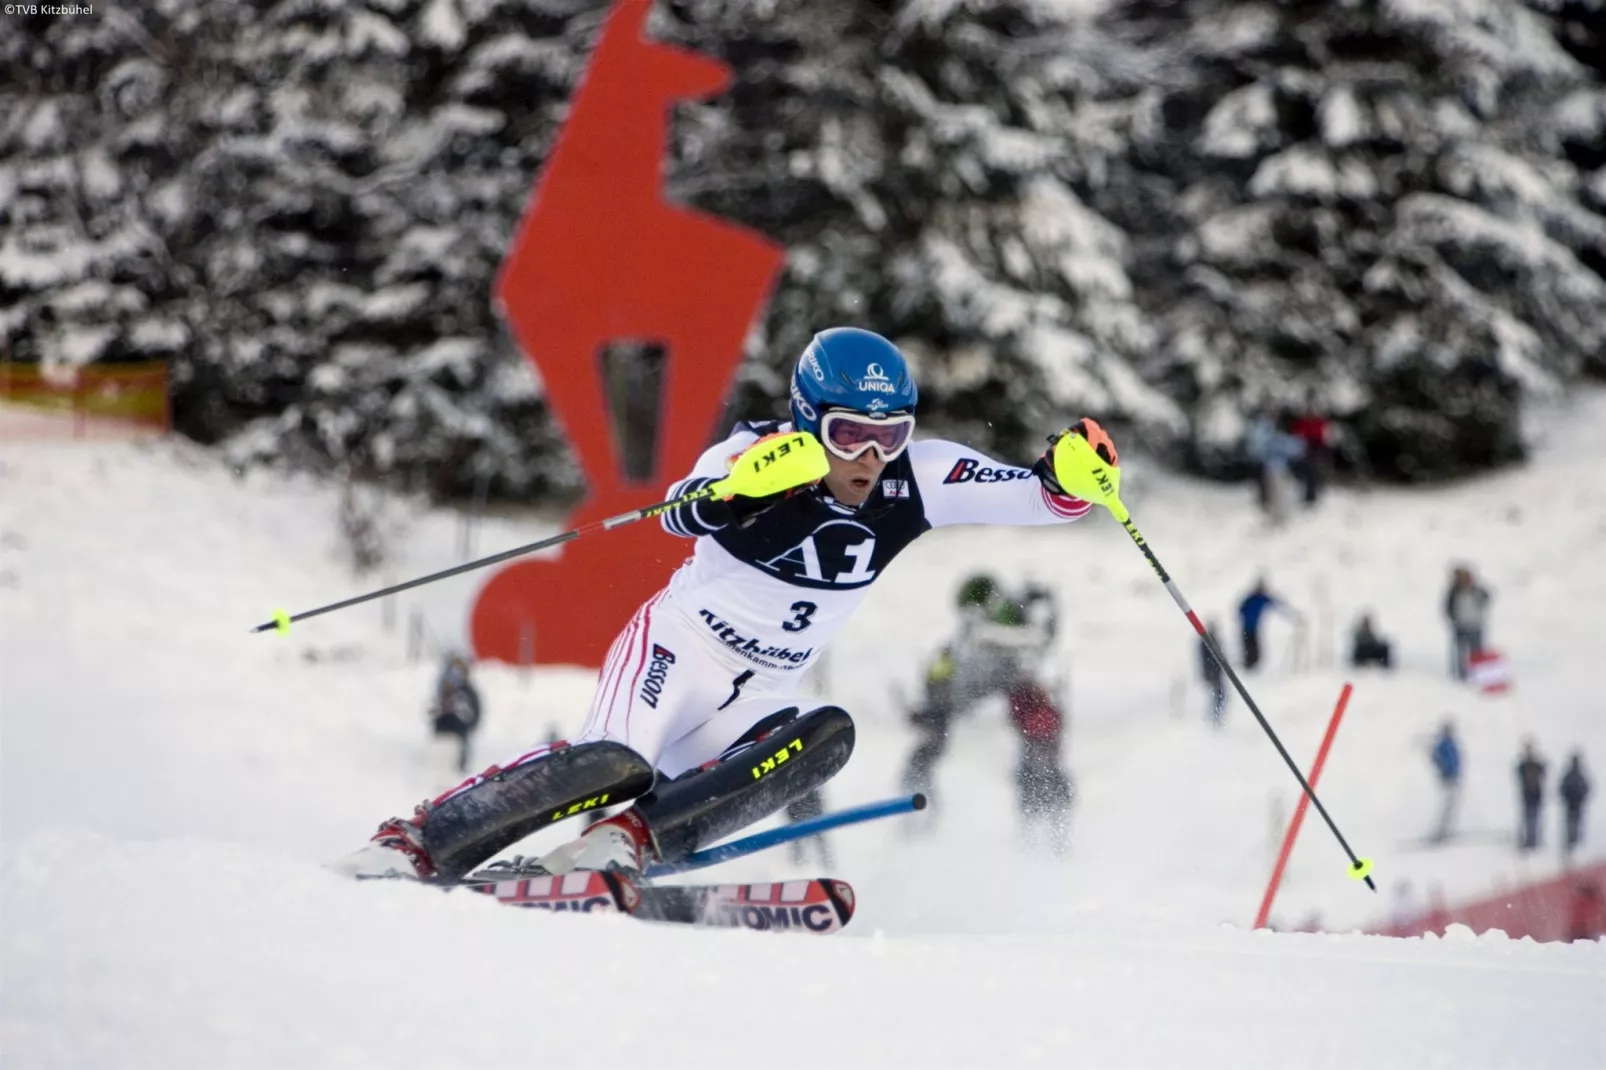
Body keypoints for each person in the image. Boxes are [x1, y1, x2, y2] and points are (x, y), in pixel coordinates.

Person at [345, 327, 1111, 884]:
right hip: (678, 653)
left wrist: (1072, 476)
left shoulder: (923, 475)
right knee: (610, 764)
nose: (870, 457)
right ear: (809, 417)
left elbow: (1042, 499)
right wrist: (740, 491)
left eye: (890, 434)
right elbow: (681, 511)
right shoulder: (759, 453)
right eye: (848, 434)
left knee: (825, 738)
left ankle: (622, 845)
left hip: (762, 692)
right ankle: (418, 839)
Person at [1007, 680, 1072, 852]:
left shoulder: (1043, 714)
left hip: (1042, 764)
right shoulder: (1044, 714)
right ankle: (1035, 844)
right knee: (1040, 809)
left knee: (1050, 810)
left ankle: (1052, 844)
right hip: (1039, 763)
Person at [429, 653, 483, 773]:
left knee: (457, 754)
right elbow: (433, 709)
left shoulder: (466, 691)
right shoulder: (443, 691)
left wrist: (470, 724)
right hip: (445, 730)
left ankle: (460, 768)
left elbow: (474, 710)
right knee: (444, 757)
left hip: (459, 729)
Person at [1444, 566, 1491, 681]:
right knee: (1461, 652)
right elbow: (1448, 608)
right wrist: (1454, 621)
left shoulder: (1476, 590)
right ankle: (1462, 675)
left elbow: (1487, 597)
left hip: (1476, 625)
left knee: (1477, 651)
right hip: (1461, 626)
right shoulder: (1454, 592)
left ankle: (1478, 673)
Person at [1237, 579, 1294, 672]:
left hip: (1253, 627)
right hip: (1247, 627)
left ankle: (1253, 666)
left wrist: (1290, 613)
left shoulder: (1261, 598)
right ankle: (1248, 666)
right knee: (1248, 646)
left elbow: (1275, 603)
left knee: (1254, 647)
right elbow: (1240, 608)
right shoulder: (1252, 598)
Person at [1429, 721, 1461, 844]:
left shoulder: (1452, 743)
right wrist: (1443, 769)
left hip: (1454, 777)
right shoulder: (1443, 744)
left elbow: (1456, 760)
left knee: (1451, 805)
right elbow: (1435, 758)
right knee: (1446, 804)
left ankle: (1446, 829)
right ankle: (1440, 831)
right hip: (1447, 777)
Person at [1516, 739, 1547, 852]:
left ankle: (1533, 841)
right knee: (1528, 819)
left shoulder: (1535, 765)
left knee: (1533, 820)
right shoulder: (1524, 765)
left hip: (1534, 796)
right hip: (1528, 796)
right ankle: (1529, 841)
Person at [1559, 751, 1591, 859]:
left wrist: (1581, 798)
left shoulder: (1579, 776)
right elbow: (1562, 789)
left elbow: (1587, 788)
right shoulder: (1570, 775)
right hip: (1570, 806)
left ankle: (1575, 848)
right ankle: (1570, 848)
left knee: (1576, 827)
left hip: (1577, 806)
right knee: (1571, 828)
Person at [1199, 620, 1227, 726]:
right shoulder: (1207, 641)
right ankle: (1214, 715)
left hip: (1216, 671)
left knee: (1219, 694)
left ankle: (1216, 714)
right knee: (1217, 694)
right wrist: (1208, 671)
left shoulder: (1213, 640)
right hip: (1213, 671)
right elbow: (1204, 657)